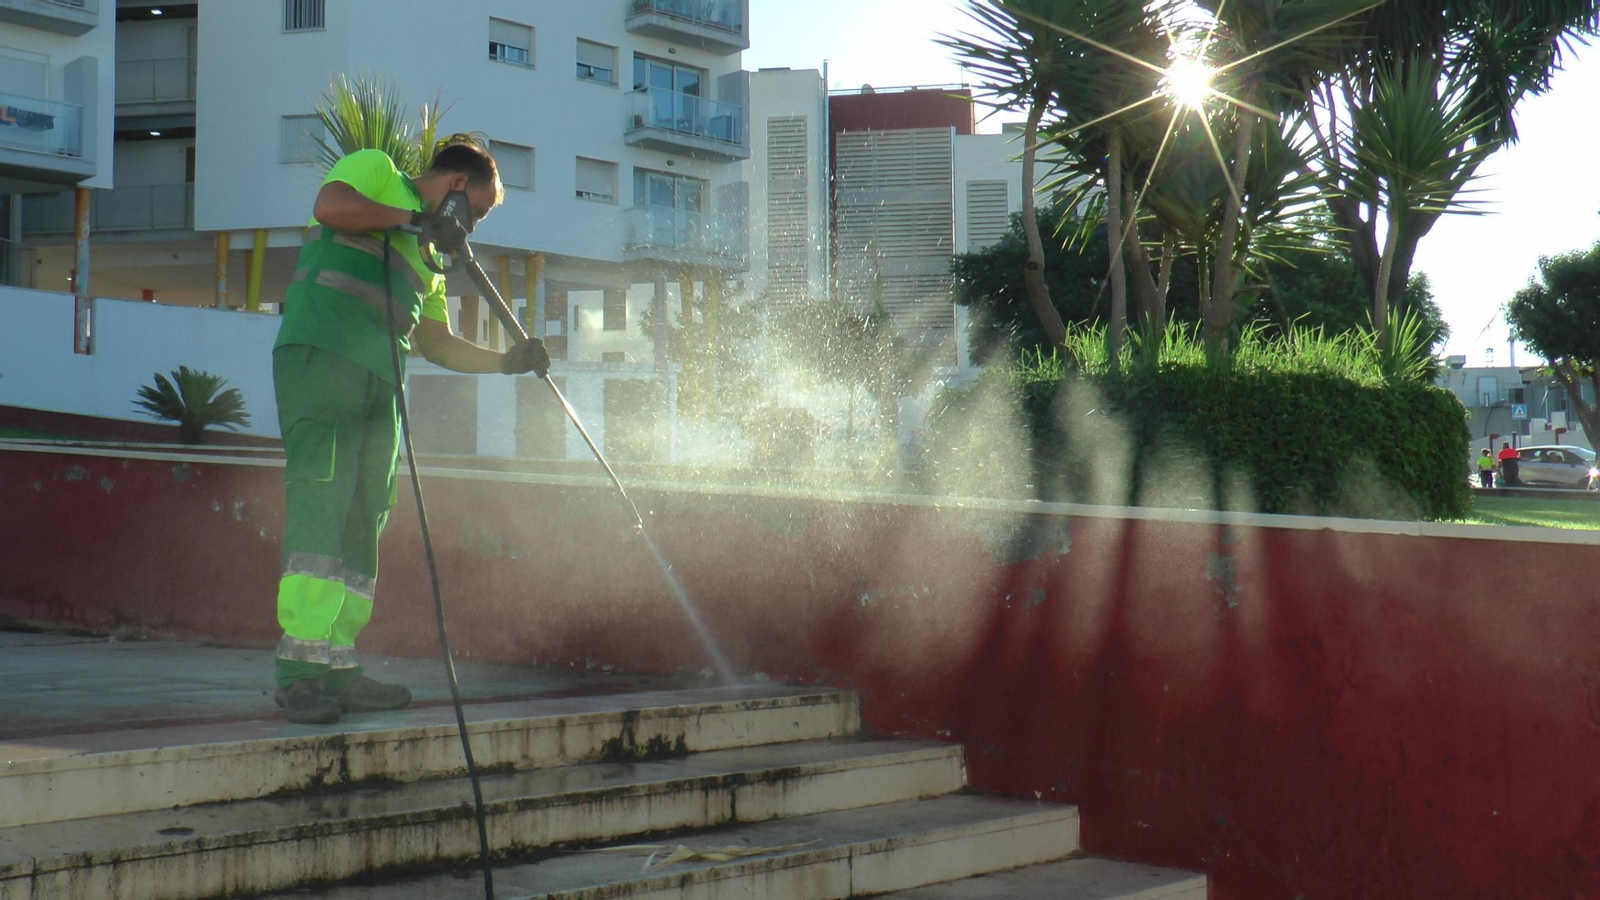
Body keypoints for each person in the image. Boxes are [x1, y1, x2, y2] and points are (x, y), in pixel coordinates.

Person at [270, 140, 549, 725]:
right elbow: (330, 206)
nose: (475, 223)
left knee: (365, 513)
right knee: (322, 501)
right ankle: (300, 673)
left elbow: (436, 342)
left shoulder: (430, 257)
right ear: (453, 184)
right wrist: (413, 218)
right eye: (478, 208)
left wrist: (507, 361)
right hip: (322, 358)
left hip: (382, 380)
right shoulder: (377, 173)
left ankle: (338, 665)